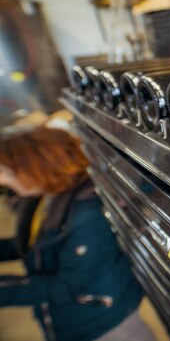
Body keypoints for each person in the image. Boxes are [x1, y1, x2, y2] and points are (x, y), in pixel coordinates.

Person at [0, 126, 155, 341]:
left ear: (39, 167)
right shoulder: (45, 196)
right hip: (69, 321)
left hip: (105, 324)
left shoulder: (87, 213)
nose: (3, 180)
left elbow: (68, 286)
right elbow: (33, 245)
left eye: (8, 172)